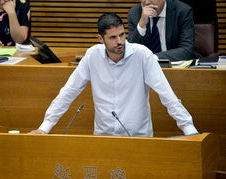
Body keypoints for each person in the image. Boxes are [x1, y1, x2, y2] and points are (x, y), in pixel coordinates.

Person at [30, 12, 199, 137]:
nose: (119, 41)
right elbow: (68, 92)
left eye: (122, 35)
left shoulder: (142, 56)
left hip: (138, 138)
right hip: (104, 138)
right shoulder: (92, 56)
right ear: (100, 39)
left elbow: (167, 95)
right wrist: (44, 127)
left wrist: (189, 129)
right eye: (112, 37)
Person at [127, 0, 200, 61]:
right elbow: (131, 52)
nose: (147, 2)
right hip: (146, 71)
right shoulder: (135, 13)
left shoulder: (182, 11)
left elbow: (186, 50)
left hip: (176, 68)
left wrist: (154, 58)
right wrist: (141, 24)